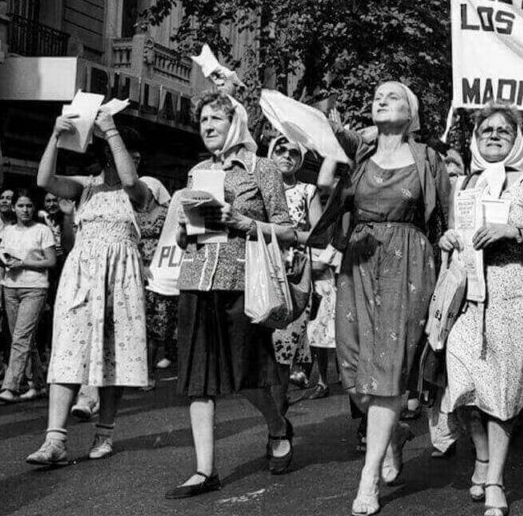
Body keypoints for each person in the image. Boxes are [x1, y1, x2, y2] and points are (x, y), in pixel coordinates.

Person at [166, 92, 297, 498]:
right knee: (197, 381)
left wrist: (243, 221)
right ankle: (205, 470)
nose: (207, 126)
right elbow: (186, 234)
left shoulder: (261, 169)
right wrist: (187, 230)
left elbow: (288, 230)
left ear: (235, 124)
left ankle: (278, 427)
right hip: (196, 281)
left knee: (246, 375)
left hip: (241, 283)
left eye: (216, 120)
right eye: (203, 119)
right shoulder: (196, 172)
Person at [331, 81, 450, 516]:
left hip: (408, 262)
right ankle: (395, 430)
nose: (382, 100)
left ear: (412, 112)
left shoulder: (428, 159)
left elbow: (447, 218)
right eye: (378, 96)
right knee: (351, 364)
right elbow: (332, 194)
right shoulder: (358, 156)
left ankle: (368, 478)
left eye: (393, 96)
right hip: (358, 260)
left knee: (387, 366)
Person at [440, 101, 523, 516]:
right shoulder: (464, 184)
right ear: (474, 137)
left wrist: (512, 231)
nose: (493, 136)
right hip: (470, 295)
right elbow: (458, 231)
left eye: (502, 131)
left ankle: (494, 481)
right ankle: (483, 455)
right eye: (486, 129)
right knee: (465, 385)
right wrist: (448, 240)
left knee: (502, 390)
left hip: (513, 293)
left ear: (515, 139)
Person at [28, 110, 151, 466]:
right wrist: (54, 135)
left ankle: (105, 432)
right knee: (67, 351)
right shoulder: (84, 187)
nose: (134, 161)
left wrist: (111, 129)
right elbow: (44, 179)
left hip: (120, 281)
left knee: (116, 355)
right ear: (106, 156)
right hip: (80, 278)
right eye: (129, 153)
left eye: (137, 156)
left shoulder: (140, 190)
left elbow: (129, 181)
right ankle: (55, 441)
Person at [266, 136, 321, 408]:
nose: (286, 156)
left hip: (295, 273)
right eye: (280, 150)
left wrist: (291, 236)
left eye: (293, 153)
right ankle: (276, 411)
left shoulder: (307, 190)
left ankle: (279, 412)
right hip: (262, 271)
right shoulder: (258, 187)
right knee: (267, 351)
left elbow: (318, 234)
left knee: (284, 347)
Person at [0, 189, 56, 403]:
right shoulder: (8, 230)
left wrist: (24, 263)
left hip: (34, 288)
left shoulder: (42, 230)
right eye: (21, 206)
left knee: (20, 338)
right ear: (14, 208)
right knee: (23, 339)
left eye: (29, 206)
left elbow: (50, 261)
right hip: (11, 287)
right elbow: (1, 253)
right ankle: (37, 384)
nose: (25, 210)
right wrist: (3, 263)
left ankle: (10, 387)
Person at [135, 170, 176, 392]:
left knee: (159, 325)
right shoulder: (131, 213)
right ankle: (142, 372)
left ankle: (157, 364)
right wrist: (139, 265)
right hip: (136, 270)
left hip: (162, 272)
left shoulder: (165, 213)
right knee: (140, 324)